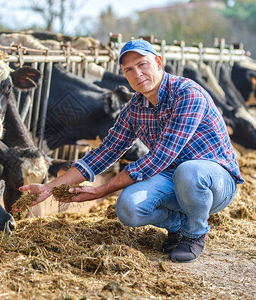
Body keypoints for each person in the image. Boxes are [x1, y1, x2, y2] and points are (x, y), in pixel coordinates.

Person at [19, 39, 244, 263]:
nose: (137, 74)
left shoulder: (187, 94)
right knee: (127, 208)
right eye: (129, 69)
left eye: (142, 64)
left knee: (189, 171)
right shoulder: (135, 107)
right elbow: (106, 152)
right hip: (172, 177)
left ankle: (195, 233)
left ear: (158, 62)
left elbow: (162, 156)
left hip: (214, 180)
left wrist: (102, 190)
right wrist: (49, 187)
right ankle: (179, 226)